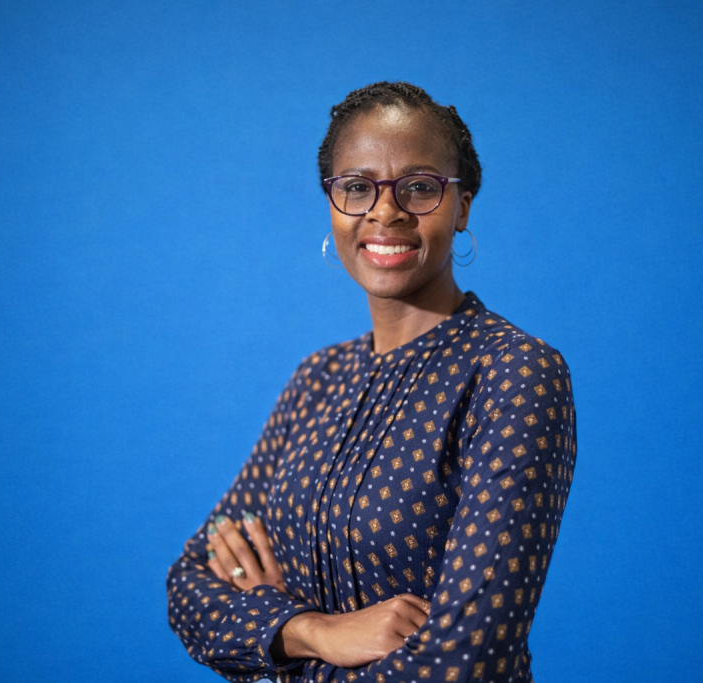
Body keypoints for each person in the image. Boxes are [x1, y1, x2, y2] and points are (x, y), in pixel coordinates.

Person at [167, 81, 577, 683]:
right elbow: (189, 584)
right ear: (332, 204)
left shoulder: (513, 373)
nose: (385, 212)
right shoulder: (318, 379)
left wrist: (272, 652)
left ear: (463, 206)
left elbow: (464, 664)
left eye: (420, 187)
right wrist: (312, 630)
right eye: (357, 187)